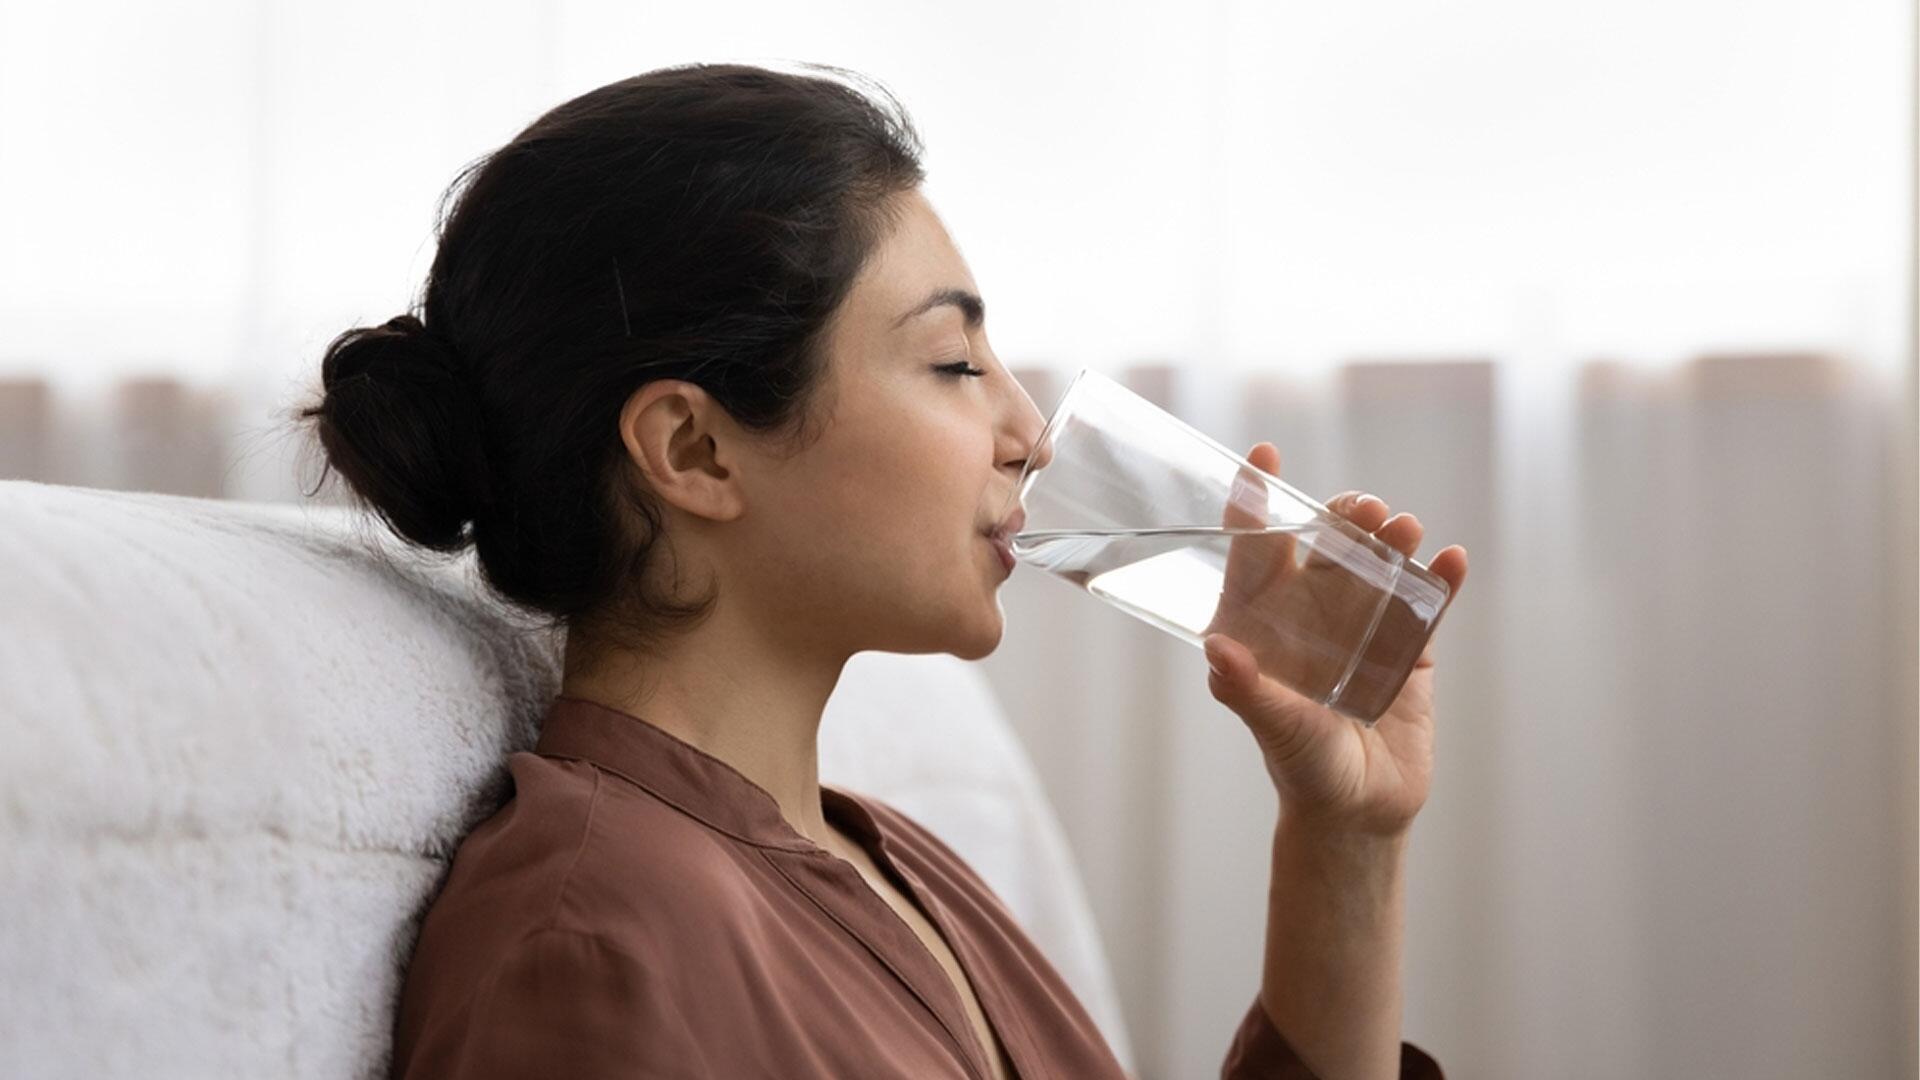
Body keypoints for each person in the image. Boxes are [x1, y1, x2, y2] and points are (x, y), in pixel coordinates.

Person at [298, 60, 1467, 1080]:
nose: (1030, 431)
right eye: (955, 362)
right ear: (693, 451)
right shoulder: (594, 948)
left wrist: (1344, 838)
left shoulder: (899, 868)